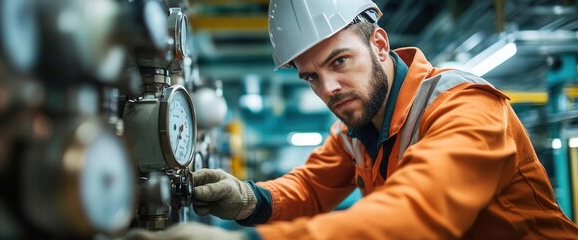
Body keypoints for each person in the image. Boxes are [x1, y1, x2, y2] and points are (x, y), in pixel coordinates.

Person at [126, 0, 578, 239]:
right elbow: (310, 187)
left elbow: (413, 217)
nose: (328, 89)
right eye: (311, 78)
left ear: (379, 44)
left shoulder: (465, 108)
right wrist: (248, 199)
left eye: (339, 61)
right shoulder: (358, 129)